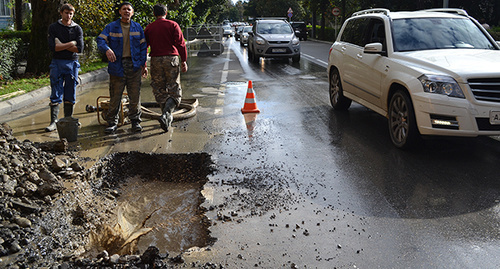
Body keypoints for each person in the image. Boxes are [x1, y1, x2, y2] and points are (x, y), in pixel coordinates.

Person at [96, 2, 148, 134]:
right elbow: (100, 40)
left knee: (135, 95)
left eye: (129, 9)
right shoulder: (111, 27)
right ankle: (112, 122)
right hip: (117, 66)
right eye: (124, 9)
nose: (126, 11)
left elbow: (143, 47)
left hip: (134, 66)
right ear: (120, 12)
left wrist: (143, 64)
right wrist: (107, 49)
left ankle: (135, 121)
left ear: (132, 12)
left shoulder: (137, 27)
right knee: (115, 95)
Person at [144, 3, 188, 132]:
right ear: (166, 13)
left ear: (154, 14)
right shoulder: (173, 25)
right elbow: (181, 43)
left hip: (156, 60)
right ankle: (166, 115)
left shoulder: (149, 28)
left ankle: (166, 118)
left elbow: (144, 47)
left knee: (159, 89)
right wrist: (184, 60)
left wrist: (143, 64)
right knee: (174, 89)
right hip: (171, 59)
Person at [45, 3, 83, 132]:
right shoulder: (54, 27)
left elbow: (79, 49)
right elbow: (53, 48)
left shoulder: (77, 29)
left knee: (70, 91)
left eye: (71, 13)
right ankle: (53, 122)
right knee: (55, 90)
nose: (68, 16)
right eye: (66, 13)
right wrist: (71, 43)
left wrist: (62, 44)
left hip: (72, 63)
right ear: (61, 13)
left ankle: (68, 119)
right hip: (57, 62)